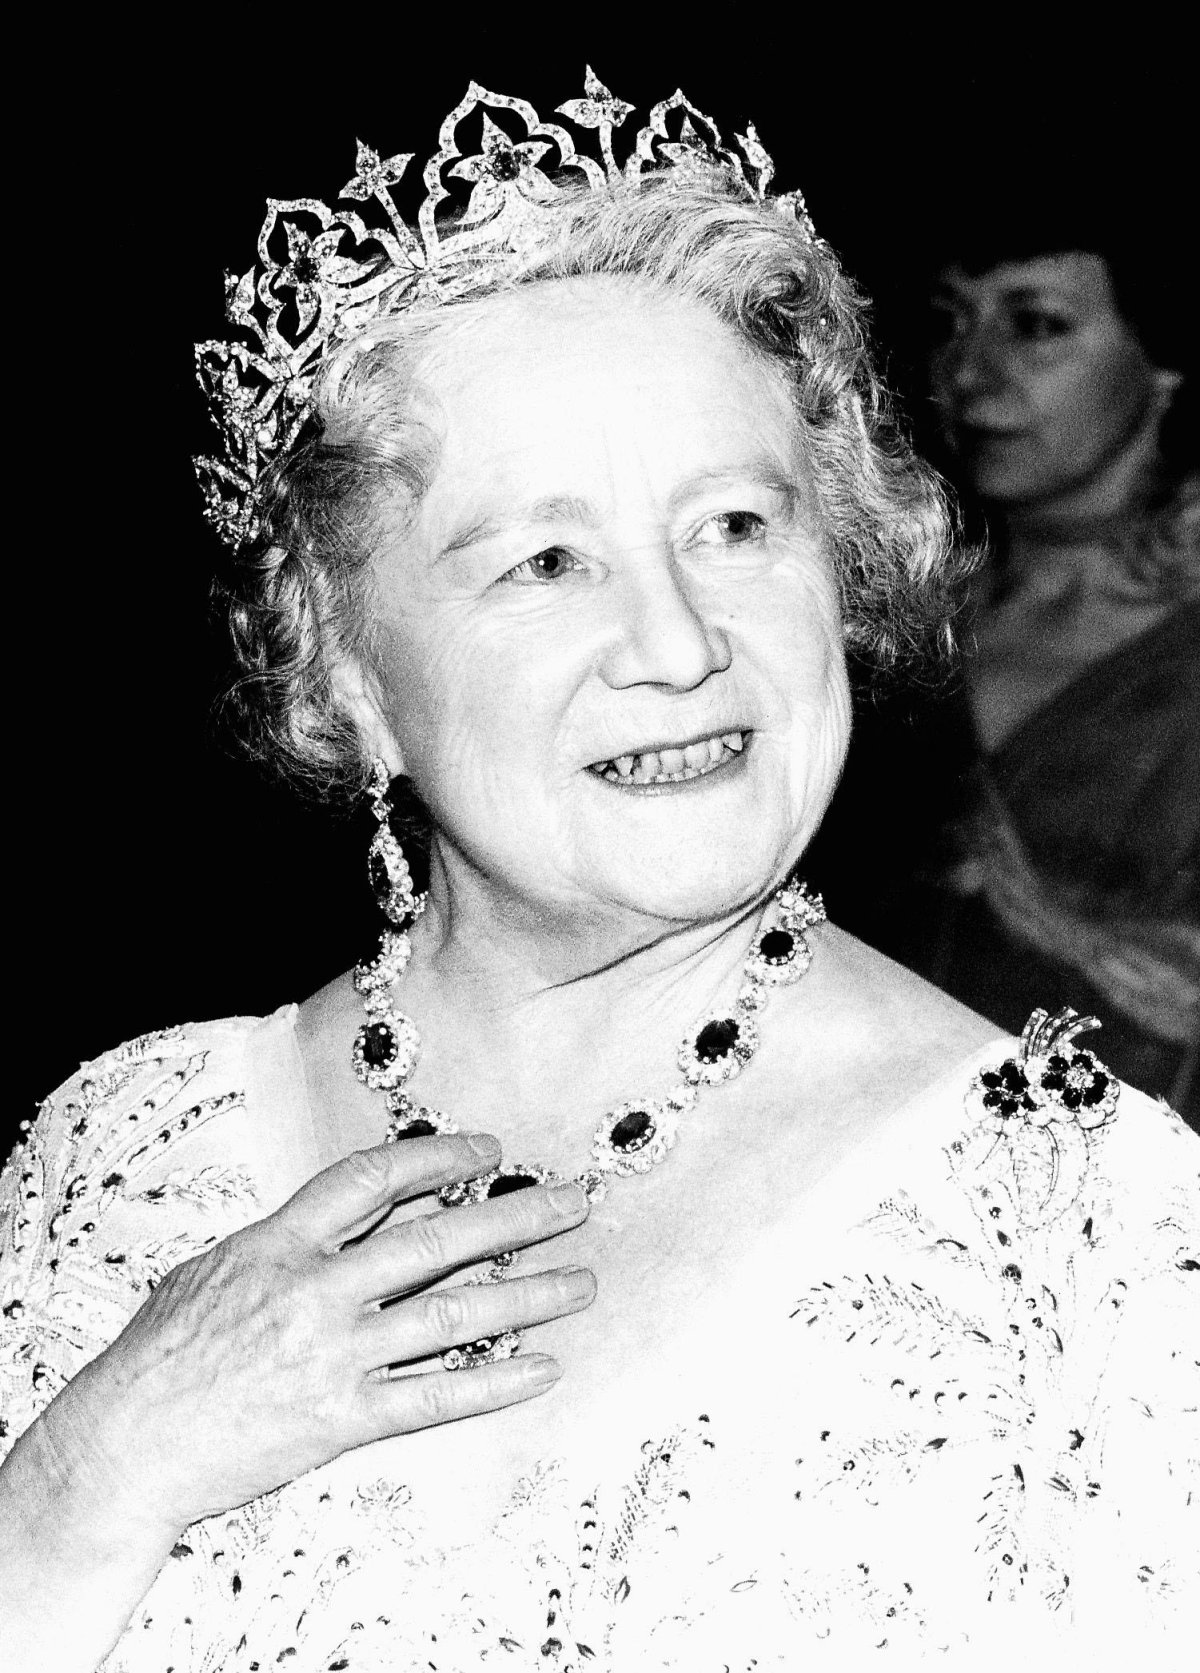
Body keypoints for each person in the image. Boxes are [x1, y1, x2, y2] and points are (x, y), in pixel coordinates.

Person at [1, 79, 1196, 1670]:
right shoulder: (121, 1147)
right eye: (549, 560)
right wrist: (87, 1477)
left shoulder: (1090, 1232)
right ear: (340, 673)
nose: (682, 644)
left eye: (735, 526)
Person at [841, 184, 1198, 1116]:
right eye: (952, 321)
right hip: (861, 1154)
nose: (971, 370)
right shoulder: (882, 614)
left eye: (1035, 326)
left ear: (1163, 361)